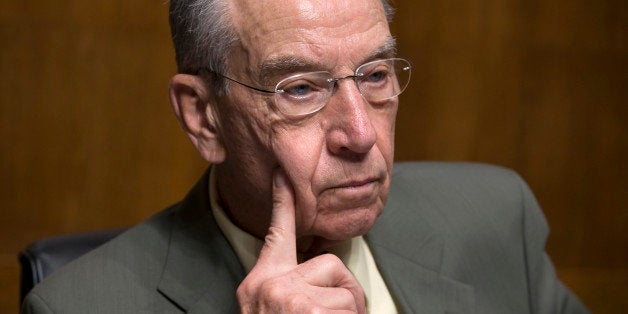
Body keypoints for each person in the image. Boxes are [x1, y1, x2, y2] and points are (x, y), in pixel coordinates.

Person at [21, 0, 588, 313]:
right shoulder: (78, 308)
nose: (361, 134)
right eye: (299, 89)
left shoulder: (495, 217)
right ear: (202, 116)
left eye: (375, 75)